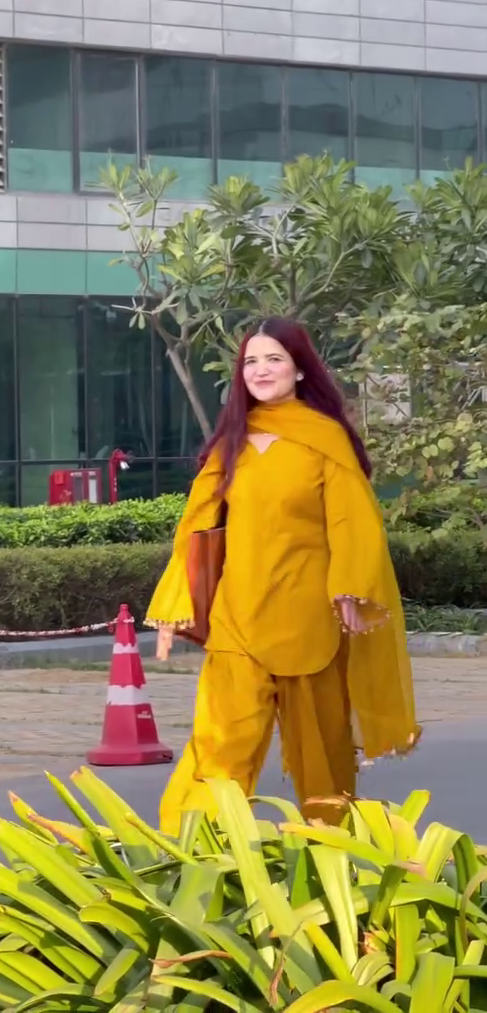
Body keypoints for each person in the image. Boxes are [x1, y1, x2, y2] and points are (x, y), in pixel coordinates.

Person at [146, 316, 420, 834]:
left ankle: (330, 854)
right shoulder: (232, 442)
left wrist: (351, 589)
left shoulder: (324, 439)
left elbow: (352, 521)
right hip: (237, 618)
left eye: (274, 359)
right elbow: (197, 527)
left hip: (308, 622)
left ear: (299, 370)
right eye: (251, 361)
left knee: (322, 758)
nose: (261, 369)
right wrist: (175, 603)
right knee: (218, 745)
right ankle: (189, 851)